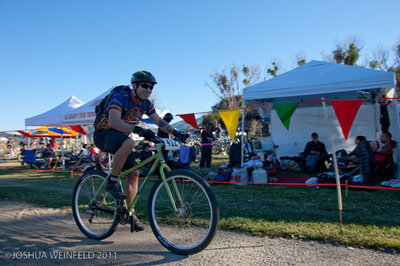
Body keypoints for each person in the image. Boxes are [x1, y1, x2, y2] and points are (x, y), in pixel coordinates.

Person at [93, 70, 187, 232]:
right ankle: (112, 182)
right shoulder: (120, 98)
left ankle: (130, 214)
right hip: (104, 134)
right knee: (129, 141)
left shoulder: (145, 104)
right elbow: (114, 122)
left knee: (134, 174)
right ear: (134, 85)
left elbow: (159, 121)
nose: (148, 90)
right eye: (145, 86)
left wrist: (176, 132)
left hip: (122, 139)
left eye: (151, 87)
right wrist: (139, 129)